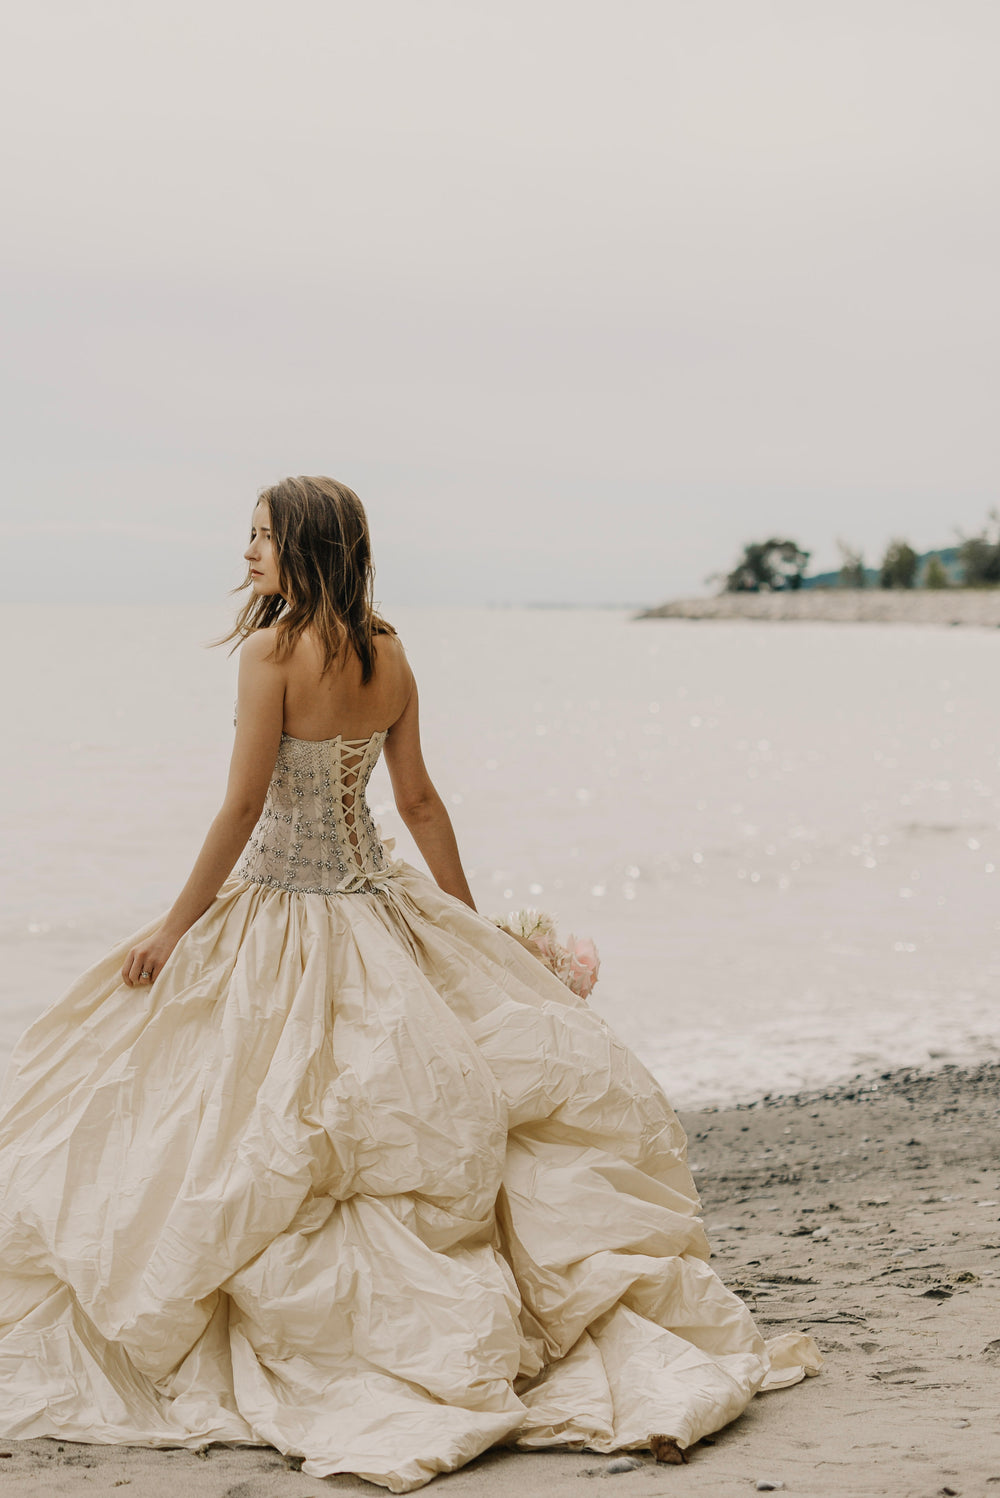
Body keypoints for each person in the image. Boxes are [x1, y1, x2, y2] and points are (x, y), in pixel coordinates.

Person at [0, 476, 819, 1492]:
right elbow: (421, 801)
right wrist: (471, 929)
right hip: (377, 904)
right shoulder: (388, 652)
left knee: (236, 1119)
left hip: (285, 912)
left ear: (306, 548)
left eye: (260, 537)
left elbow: (244, 805)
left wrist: (176, 926)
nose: (245, 553)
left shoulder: (269, 652)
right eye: (247, 535)